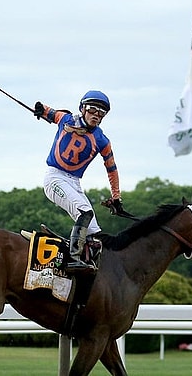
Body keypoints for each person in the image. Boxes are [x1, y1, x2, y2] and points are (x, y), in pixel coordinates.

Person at [33, 90, 128, 273]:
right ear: (83, 109)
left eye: (102, 113)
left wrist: (116, 198)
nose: (97, 115)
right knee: (84, 212)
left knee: (94, 231)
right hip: (54, 178)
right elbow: (49, 112)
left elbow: (112, 169)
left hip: (74, 182)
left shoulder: (102, 140)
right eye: (93, 109)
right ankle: (73, 259)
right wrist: (40, 109)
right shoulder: (66, 119)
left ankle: (89, 269)